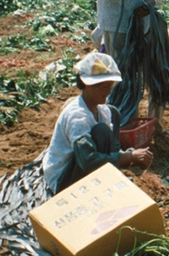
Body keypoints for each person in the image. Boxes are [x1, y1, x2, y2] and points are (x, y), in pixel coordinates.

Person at [42, 52, 152, 195]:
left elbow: (111, 150)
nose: (108, 92)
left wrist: (131, 154)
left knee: (113, 113)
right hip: (64, 180)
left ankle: (105, 182)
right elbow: (88, 160)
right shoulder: (77, 117)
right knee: (101, 131)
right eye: (104, 87)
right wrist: (129, 157)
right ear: (88, 85)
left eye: (109, 87)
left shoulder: (103, 111)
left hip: (82, 167)